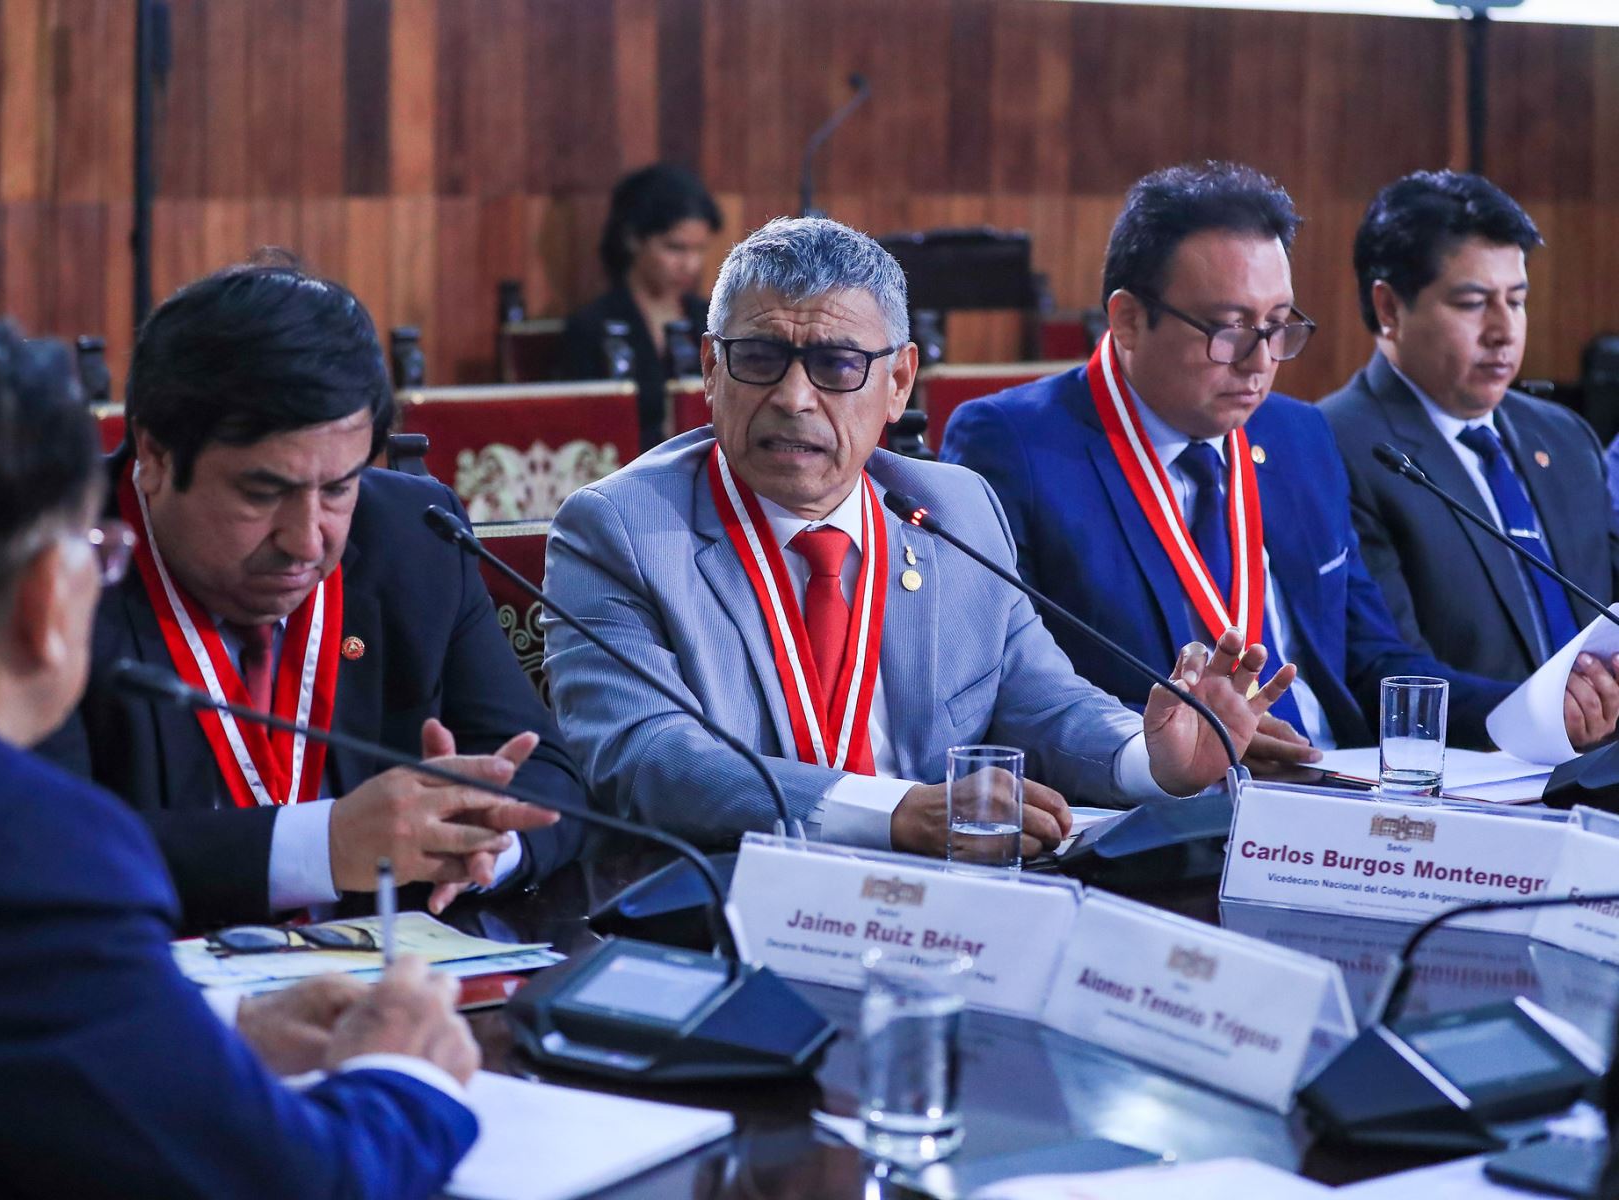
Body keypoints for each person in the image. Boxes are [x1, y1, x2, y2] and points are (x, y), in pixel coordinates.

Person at [0, 320, 483, 1196]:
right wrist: (408, 1074)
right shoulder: (12, 849)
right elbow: (300, 1185)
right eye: (96, 553)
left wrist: (215, 1028)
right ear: (42, 594)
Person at [544, 216, 1289, 857]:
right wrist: (893, 813)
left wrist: (1149, 759)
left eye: (837, 365)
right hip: (731, 916)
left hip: (945, 915)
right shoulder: (620, 530)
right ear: (711, 368)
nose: (794, 398)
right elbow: (649, 757)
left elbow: (1042, 703)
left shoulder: (955, 509)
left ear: (899, 382)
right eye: (761, 359)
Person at [942, 162, 1619, 768]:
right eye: (1229, 328)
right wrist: (1167, 750)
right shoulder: (1017, 443)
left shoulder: (1298, 436)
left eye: (1279, 324)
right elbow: (1003, 684)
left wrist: (1526, 710)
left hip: (1342, 786)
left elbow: (1371, 659)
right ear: (1127, 322)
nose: (1261, 359)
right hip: (1170, 816)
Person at [40, 261, 586, 932]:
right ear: (153, 456)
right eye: (262, 493)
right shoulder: (42, 566)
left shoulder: (415, 537)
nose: (306, 540)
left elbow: (548, 776)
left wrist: (473, 837)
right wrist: (323, 847)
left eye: (338, 489)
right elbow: (43, 847)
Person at [1320, 171, 1619, 715]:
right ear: (1389, 309)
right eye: (1473, 302)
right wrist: (1538, 715)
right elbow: (1382, 672)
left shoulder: (1564, 436)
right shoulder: (1336, 447)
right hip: (1475, 780)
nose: (1505, 330)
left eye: (1517, 300)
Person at [562, 163, 722, 447]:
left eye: (699, 249)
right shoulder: (593, 326)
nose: (691, 264)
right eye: (676, 248)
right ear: (633, 239)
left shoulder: (713, 317)